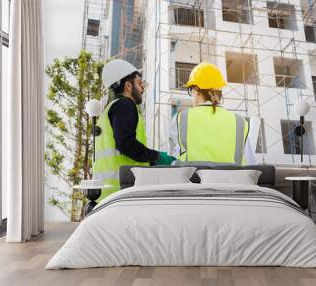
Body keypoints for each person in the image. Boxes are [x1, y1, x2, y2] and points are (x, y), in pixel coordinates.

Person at [93, 59, 176, 200]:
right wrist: (157, 157)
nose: (142, 88)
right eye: (139, 83)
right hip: (123, 191)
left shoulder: (108, 111)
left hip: (108, 193)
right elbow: (126, 144)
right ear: (128, 86)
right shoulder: (125, 105)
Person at [172, 62, 250, 165]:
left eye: (191, 91)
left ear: (196, 90)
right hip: (233, 180)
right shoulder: (240, 123)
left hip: (192, 180)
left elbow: (174, 159)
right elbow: (249, 162)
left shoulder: (181, 119)